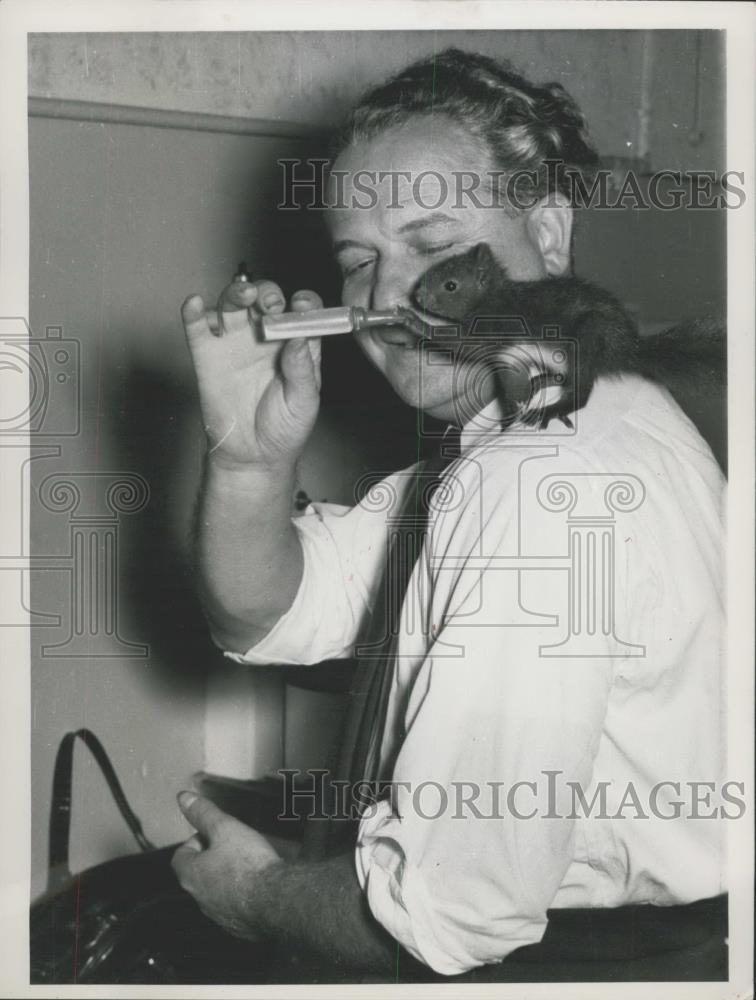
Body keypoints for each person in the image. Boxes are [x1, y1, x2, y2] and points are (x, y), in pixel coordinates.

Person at [172, 49, 726, 982]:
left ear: (549, 234)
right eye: (361, 262)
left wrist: (254, 897)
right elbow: (266, 610)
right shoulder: (578, 423)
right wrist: (248, 461)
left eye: (433, 245)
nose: (389, 300)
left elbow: (445, 922)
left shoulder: (530, 486)